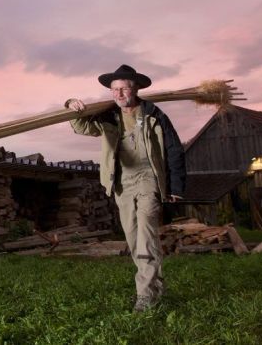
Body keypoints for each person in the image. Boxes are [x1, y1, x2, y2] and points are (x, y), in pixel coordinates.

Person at [66, 64, 185, 312]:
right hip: (122, 183)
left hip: (149, 179)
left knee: (145, 235)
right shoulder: (108, 116)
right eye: (114, 90)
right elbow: (82, 127)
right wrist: (71, 107)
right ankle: (153, 287)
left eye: (123, 88)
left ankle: (146, 295)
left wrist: (176, 186)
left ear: (136, 89)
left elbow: (174, 149)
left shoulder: (154, 114)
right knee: (132, 238)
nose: (118, 94)